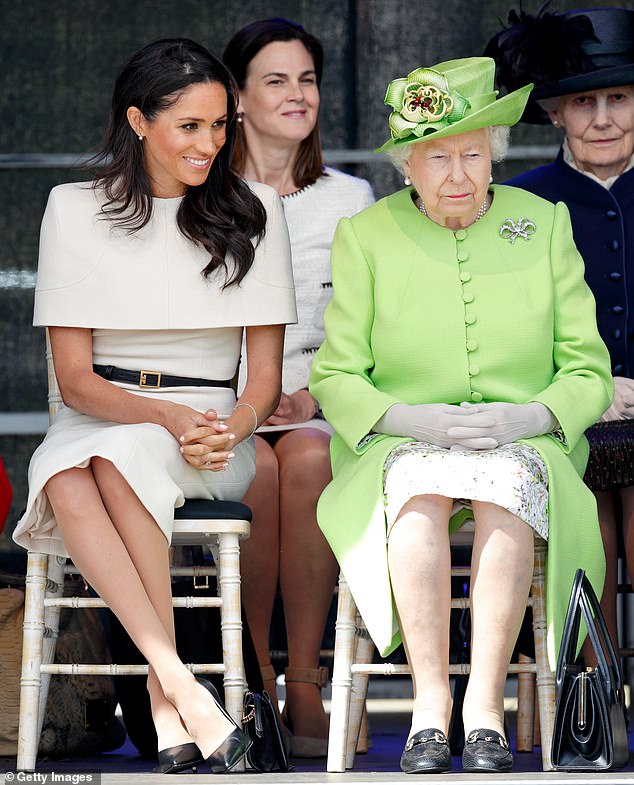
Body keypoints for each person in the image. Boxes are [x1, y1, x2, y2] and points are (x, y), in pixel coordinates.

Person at [309, 56, 613, 774]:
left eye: (472, 155)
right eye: (437, 156)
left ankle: (483, 705)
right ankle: (427, 706)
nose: (456, 174)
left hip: (525, 441)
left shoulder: (543, 224)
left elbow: (588, 367)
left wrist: (532, 415)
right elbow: (336, 371)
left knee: (504, 497)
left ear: (493, 157)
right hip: (401, 441)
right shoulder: (366, 234)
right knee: (418, 499)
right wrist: (410, 418)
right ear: (406, 164)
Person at [12, 38, 296, 774]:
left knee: (96, 464)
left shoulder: (257, 209)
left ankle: (171, 699)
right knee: (78, 467)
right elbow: (75, 381)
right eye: (190, 127)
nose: (211, 144)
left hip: (212, 435)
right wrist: (164, 416)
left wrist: (228, 427)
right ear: (138, 121)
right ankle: (179, 691)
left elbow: (261, 379)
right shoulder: (73, 210)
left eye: (221, 126)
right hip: (101, 418)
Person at [222, 18, 374, 757]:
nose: (297, 94)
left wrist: (311, 393)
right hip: (222, 402)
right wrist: (250, 400)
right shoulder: (201, 191)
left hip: (321, 396)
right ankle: (251, 682)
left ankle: (306, 680)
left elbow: (368, 319)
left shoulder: (350, 197)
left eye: (307, 79)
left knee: (309, 456)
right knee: (258, 471)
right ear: (238, 99)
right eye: (275, 79)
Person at [485, 4, 634, 656]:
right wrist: (582, 391)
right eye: (583, 102)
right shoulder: (517, 203)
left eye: (620, 98)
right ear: (553, 112)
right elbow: (502, 329)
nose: (602, 118)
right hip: (563, 417)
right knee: (586, 515)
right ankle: (593, 698)